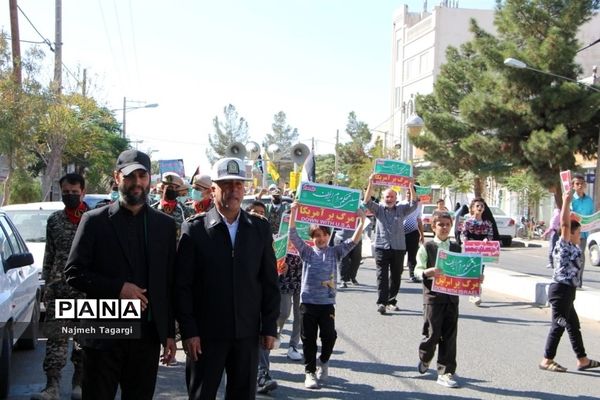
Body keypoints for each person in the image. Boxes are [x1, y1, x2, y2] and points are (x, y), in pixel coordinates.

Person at [65, 149, 177, 399]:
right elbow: (74, 273)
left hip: (146, 339)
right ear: (117, 177)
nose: (136, 183)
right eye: (129, 176)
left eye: (142, 175)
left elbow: (167, 283)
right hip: (103, 334)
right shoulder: (94, 221)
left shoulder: (164, 226)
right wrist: (118, 288)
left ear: (150, 179)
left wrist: (169, 333)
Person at [175, 157, 280, 399]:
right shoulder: (195, 229)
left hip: (247, 334)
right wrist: (188, 331)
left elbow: (269, 282)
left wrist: (269, 326)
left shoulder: (259, 228)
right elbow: (182, 286)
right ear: (213, 190)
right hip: (205, 336)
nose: (233, 190)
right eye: (227, 185)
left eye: (238, 185)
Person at [288, 202, 366, 389]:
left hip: (327, 304)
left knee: (329, 336)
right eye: (316, 236)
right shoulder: (306, 252)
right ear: (312, 237)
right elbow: (293, 235)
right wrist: (293, 212)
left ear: (329, 236)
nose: (320, 238)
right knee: (308, 340)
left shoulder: (335, 252)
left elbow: (353, 241)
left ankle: (323, 361)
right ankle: (310, 373)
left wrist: (361, 223)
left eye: (323, 235)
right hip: (308, 303)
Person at [32, 174, 89, 400]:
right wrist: (47, 283)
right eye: (66, 192)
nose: (70, 196)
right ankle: (52, 386)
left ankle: (80, 383)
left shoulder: (94, 219)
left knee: (84, 340)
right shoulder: (54, 220)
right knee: (56, 341)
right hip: (59, 290)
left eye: (75, 192)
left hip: (87, 292)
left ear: (83, 192)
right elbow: (50, 255)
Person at [539, 188, 599, 373]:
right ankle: (547, 359)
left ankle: (582, 359)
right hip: (561, 290)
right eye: (579, 232)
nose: (580, 235)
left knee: (573, 325)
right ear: (572, 233)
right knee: (559, 325)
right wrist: (565, 201)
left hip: (568, 291)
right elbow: (565, 225)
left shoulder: (573, 247)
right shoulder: (564, 245)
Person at [414, 211, 462, 388]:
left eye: (447, 225)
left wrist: (476, 278)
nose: (444, 228)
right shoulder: (427, 247)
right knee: (432, 334)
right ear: (433, 227)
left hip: (451, 298)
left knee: (449, 336)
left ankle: (445, 372)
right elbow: (417, 271)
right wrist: (428, 272)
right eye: (440, 225)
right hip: (433, 298)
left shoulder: (456, 248)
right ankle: (425, 357)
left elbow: (464, 272)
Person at [364, 175, 418, 314]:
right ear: (383, 198)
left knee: (396, 276)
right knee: (381, 276)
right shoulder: (379, 209)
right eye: (387, 197)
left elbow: (414, 203)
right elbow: (367, 201)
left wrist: (410, 186)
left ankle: (391, 301)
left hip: (399, 248)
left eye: (392, 197)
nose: (389, 199)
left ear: (395, 198)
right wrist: (371, 183)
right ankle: (382, 302)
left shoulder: (401, 209)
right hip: (381, 247)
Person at [460, 198, 493, 306]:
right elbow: (463, 234)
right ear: (473, 208)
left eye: (482, 206)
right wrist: (464, 239)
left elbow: (490, 235)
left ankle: (476, 293)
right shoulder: (468, 221)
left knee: (480, 272)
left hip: (482, 251)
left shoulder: (487, 223)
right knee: (472, 271)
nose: (480, 208)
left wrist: (486, 239)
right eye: (477, 206)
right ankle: (473, 293)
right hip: (470, 251)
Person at [570, 173, 595, 287]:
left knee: (580, 257)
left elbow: (591, 217)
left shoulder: (589, 200)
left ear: (585, 185)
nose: (580, 186)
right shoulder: (570, 199)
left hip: (583, 235)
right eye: (577, 184)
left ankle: (578, 281)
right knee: (569, 256)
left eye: (582, 184)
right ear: (573, 185)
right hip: (570, 234)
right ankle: (569, 279)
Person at [151, 172, 187, 237]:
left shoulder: (185, 210)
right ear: (162, 187)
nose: (173, 190)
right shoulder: (152, 209)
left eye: (176, 188)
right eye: (170, 187)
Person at [402, 189, 425, 283]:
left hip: (413, 233)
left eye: (410, 193)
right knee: (399, 254)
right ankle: (397, 272)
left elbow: (419, 220)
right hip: (400, 233)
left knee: (413, 255)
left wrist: (422, 234)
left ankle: (412, 275)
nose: (409, 194)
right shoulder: (400, 204)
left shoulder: (418, 206)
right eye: (407, 193)